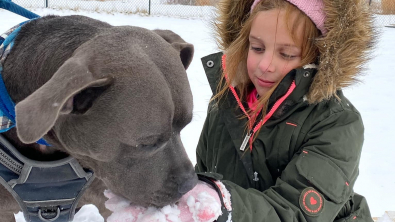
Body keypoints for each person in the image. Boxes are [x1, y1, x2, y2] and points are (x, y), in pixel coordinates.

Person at [194, 0, 376, 221]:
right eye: (257, 48)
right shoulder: (225, 104)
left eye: (287, 54)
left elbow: (294, 213)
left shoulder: (336, 124)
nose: (265, 65)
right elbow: (202, 173)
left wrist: (216, 203)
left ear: (319, 56)